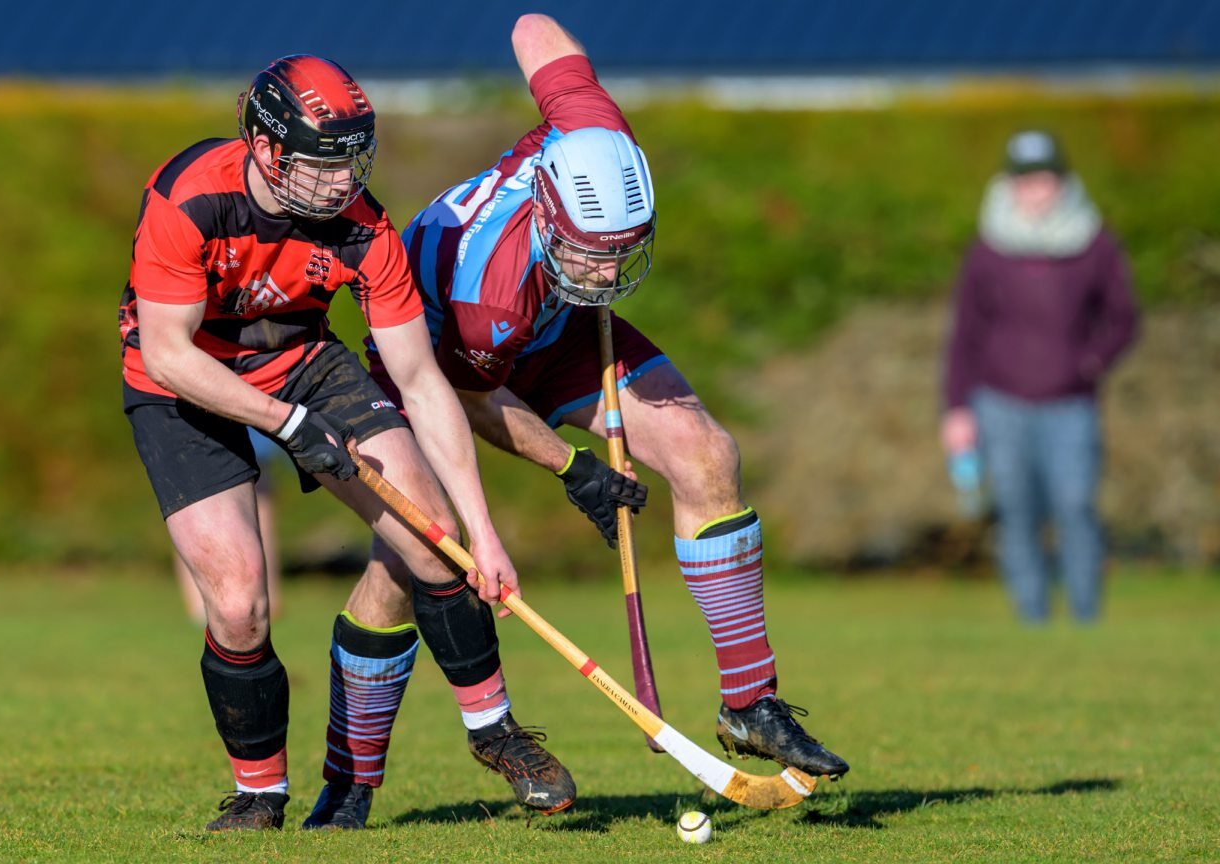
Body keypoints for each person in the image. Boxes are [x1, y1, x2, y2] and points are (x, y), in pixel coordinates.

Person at [310, 14, 850, 825]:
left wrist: (550, 71)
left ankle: (751, 703)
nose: (608, 268)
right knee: (408, 561)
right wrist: (575, 469)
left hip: (553, 328)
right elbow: (473, 398)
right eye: (592, 251)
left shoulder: (596, 136)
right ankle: (350, 782)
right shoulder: (483, 290)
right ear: (547, 214)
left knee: (708, 456)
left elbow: (532, 27)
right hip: (438, 361)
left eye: (622, 250)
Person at [118, 54, 573, 832]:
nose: (346, 182)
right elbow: (167, 351)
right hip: (182, 387)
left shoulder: (365, 228)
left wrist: (484, 534)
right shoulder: (190, 196)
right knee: (237, 606)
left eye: (355, 159)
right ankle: (260, 793)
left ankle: (495, 732)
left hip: (304, 363)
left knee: (433, 543)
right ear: (268, 149)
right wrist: (288, 427)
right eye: (327, 162)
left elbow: (422, 382)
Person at [941, 129, 1138, 622]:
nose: (1035, 191)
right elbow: (965, 334)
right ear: (1010, 185)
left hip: (1071, 403)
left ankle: (1086, 615)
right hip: (1000, 401)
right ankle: (1032, 618)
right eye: (1024, 181)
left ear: (1062, 182)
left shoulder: (1094, 244)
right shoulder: (987, 249)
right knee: (1016, 512)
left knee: (1075, 506)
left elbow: (1123, 318)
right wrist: (956, 408)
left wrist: (1089, 363)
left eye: (1044, 179)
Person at [172, 429, 282, 626]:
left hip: (246, 434)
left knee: (258, 505)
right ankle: (200, 604)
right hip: (198, 433)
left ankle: (266, 597)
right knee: (188, 510)